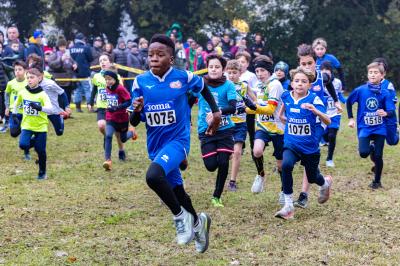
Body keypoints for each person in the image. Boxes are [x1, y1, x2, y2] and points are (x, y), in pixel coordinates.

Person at [129, 34, 220, 252]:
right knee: (178, 192)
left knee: (152, 176)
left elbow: (204, 87)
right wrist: (137, 110)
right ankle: (199, 224)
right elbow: (133, 120)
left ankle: (181, 219)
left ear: (171, 59)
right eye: (150, 54)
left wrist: (216, 112)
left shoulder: (184, 77)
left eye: (160, 55)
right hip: (155, 146)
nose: (154, 58)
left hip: (178, 142)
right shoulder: (140, 82)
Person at [276, 67, 333, 220]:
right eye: (296, 81)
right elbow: (282, 112)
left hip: (310, 146)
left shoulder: (314, 99)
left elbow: (327, 120)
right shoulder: (286, 96)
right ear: (292, 83)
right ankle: (288, 206)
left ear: (309, 85)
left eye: (304, 81)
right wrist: (283, 118)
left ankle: (325, 184)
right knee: (286, 165)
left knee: (313, 177)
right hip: (291, 143)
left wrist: (316, 111)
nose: (299, 84)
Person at [293, 44, 342, 209]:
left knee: (308, 157)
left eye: (310, 63)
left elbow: (329, 87)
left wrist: (336, 101)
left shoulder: (323, 77)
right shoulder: (297, 79)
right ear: (299, 64)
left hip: (318, 123)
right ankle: (324, 182)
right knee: (301, 158)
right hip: (299, 123)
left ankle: (303, 195)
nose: (307, 67)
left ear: (316, 62)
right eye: (303, 64)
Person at [192, 54, 236, 207]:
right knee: (211, 166)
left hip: (225, 130)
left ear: (222, 69)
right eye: (211, 66)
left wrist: (218, 113)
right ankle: (222, 152)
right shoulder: (200, 84)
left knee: (223, 162)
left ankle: (216, 196)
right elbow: (189, 100)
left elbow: (233, 107)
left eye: (217, 67)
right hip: (206, 131)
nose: (214, 69)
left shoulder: (228, 85)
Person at [347, 62, 396, 189]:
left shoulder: (385, 92)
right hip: (365, 127)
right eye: (370, 72)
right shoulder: (360, 90)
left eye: (376, 72)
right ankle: (371, 147)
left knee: (378, 156)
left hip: (380, 128)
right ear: (367, 74)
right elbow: (348, 102)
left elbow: (391, 111)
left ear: (382, 76)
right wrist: (351, 118)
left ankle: (377, 181)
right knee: (363, 153)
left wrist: (385, 112)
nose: (373, 75)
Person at [246, 55, 284, 194]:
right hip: (262, 126)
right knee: (256, 151)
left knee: (281, 165)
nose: (259, 74)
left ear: (269, 70)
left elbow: (270, 109)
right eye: (257, 71)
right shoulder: (259, 85)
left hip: (278, 129)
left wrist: (249, 109)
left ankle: (283, 190)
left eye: (262, 70)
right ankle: (261, 175)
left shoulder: (275, 85)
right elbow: (257, 103)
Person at [13, 68, 52, 179]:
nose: (29, 80)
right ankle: (36, 143)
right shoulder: (23, 92)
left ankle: (42, 172)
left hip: (41, 126)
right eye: (28, 77)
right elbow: (16, 103)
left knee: (41, 151)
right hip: (27, 125)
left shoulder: (43, 94)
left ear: (39, 78)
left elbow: (50, 109)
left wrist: (39, 107)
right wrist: (15, 115)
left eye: (32, 77)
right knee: (23, 145)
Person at [89, 54, 129, 161]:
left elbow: (122, 93)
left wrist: (119, 107)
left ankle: (121, 149)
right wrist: (90, 102)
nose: (102, 62)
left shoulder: (118, 77)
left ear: (110, 62)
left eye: (105, 60)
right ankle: (107, 138)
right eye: (100, 60)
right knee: (102, 126)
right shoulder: (96, 76)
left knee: (118, 134)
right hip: (102, 107)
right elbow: (94, 90)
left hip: (115, 109)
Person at [226, 59, 257, 191]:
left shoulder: (244, 85)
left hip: (240, 124)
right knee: (227, 154)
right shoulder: (225, 85)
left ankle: (232, 181)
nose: (232, 75)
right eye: (230, 72)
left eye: (234, 72)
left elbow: (255, 100)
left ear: (240, 73)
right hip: (226, 123)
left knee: (237, 152)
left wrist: (249, 106)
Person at [102, 68, 137, 170]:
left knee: (123, 139)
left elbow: (128, 101)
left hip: (122, 119)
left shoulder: (120, 89)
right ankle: (108, 160)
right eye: (106, 79)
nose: (108, 81)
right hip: (110, 117)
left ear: (115, 79)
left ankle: (132, 133)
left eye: (110, 79)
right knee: (108, 135)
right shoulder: (107, 88)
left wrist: (117, 108)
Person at [320, 61, 344, 167]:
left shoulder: (338, 82)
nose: (325, 72)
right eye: (323, 70)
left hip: (335, 113)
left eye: (327, 70)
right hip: (322, 114)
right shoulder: (317, 82)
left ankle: (329, 159)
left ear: (331, 71)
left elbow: (339, 95)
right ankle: (323, 140)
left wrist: (346, 101)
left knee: (332, 135)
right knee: (324, 136)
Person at [4, 61, 29, 160]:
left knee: (25, 131)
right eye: (15, 70)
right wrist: (7, 106)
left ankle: (26, 153)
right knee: (13, 133)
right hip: (13, 112)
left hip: (26, 112)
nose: (17, 72)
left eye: (20, 69)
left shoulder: (28, 82)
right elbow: (6, 94)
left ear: (25, 71)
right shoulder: (11, 83)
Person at [372, 58, 399, 146]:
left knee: (391, 142)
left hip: (388, 116)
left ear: (383, 73)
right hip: (375, 116)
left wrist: (384, 109)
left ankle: (396, 133)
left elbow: (393, 101)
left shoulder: (388, 85)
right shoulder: (369, 84)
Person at [47, 37, 77, 105]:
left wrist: (75, 64)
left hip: (68, 80)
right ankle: (61, 114)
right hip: (59, 81)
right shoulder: (54, 54)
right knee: (60, 99)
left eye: (64, 46)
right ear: (58, 47)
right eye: (61, 46)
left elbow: (73, 61)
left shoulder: (68, 54)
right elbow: (51, 64)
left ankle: (67, 113)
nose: (63, 48)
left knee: (68, 97)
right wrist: (61, 60)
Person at [70, 32, 93, 112]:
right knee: (87, 89)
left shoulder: (71, 48)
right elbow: (90, 58)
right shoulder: (86, 48)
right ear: (83, 39)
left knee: (77, 90)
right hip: (85, 72)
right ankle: (90, 107)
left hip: (75, 73)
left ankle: (78, 108)